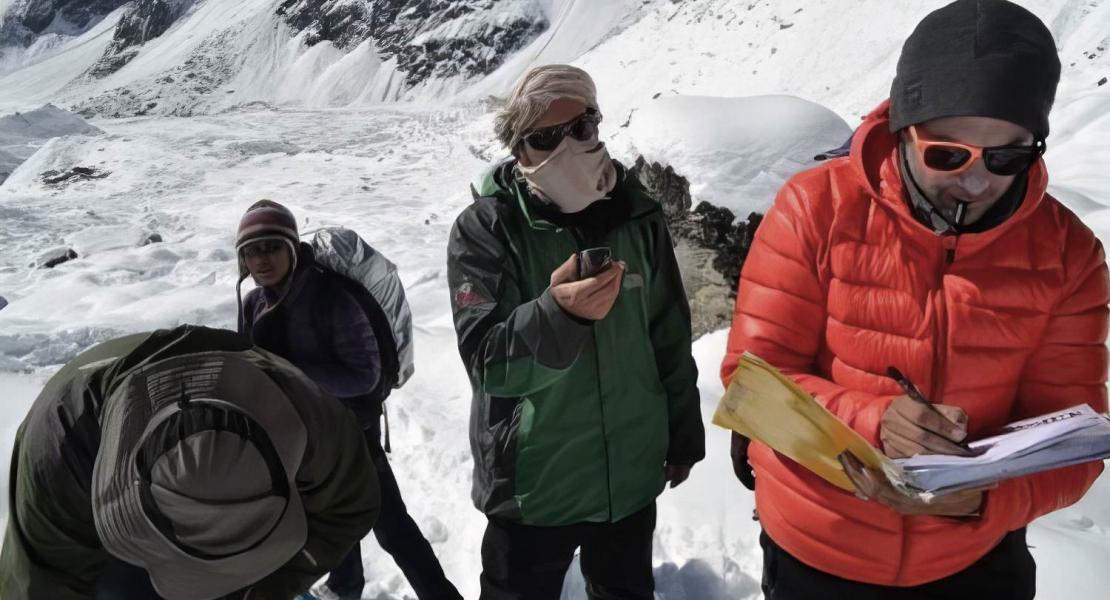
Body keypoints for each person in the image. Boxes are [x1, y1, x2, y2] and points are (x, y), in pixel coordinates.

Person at [721, 1, 1109, 598]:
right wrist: (876, 423)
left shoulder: (1067, 255)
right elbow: (752, 382)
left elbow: (1073, 444)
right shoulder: (815, 209)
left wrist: (980, 500)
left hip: (973, 559)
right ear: (905, 130)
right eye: (947, 155)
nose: (975, 182)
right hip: (818, 548)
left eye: (1007, 158)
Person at [447, 64, 705, 600]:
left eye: (581, 128)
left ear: (598, 124)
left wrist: (682, 431)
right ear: (519, 148)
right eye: (545, 139)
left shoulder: (638, 216)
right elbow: (489, 364)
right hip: (535, 487)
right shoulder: (488, 227)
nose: (567, 147)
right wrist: (559, 316)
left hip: (629, 479)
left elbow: (667, 333)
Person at [0, 325, 380, 600]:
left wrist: (274, 587)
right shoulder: (59, 448)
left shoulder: (313, 420)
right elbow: (39, 584)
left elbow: (349, 508)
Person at [236, 200, 461, 600]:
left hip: (351, 433)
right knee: (330, 520)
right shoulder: (255, 304)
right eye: (251, 251)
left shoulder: (330, 296)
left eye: (271, 247)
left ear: (291, 248)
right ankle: (345, 587)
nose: (261, 260)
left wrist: (291, 374)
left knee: (391, 526)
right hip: (297, 437)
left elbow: (364, 374)